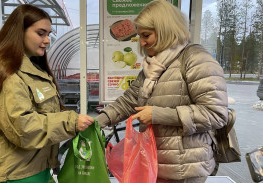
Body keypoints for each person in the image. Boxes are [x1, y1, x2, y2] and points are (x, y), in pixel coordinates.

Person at [96, 0, 228, 182]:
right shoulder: (153, 66)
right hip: (153, 163)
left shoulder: (196, 59)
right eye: (139, 36)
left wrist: (158, 115)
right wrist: (97, 122)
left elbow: (216, 114)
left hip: (184, 170)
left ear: (165, 29)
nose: (141, 43)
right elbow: (129, 101)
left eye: (146, 35)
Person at [0, 4, 94, 183]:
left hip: (34, 168)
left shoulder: (32, 68)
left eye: (48, 34)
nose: (48, 40)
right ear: (19, 31)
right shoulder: (4, 71)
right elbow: (23, 128)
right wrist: (70, 122)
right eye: (41, 33)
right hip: (14, 175)